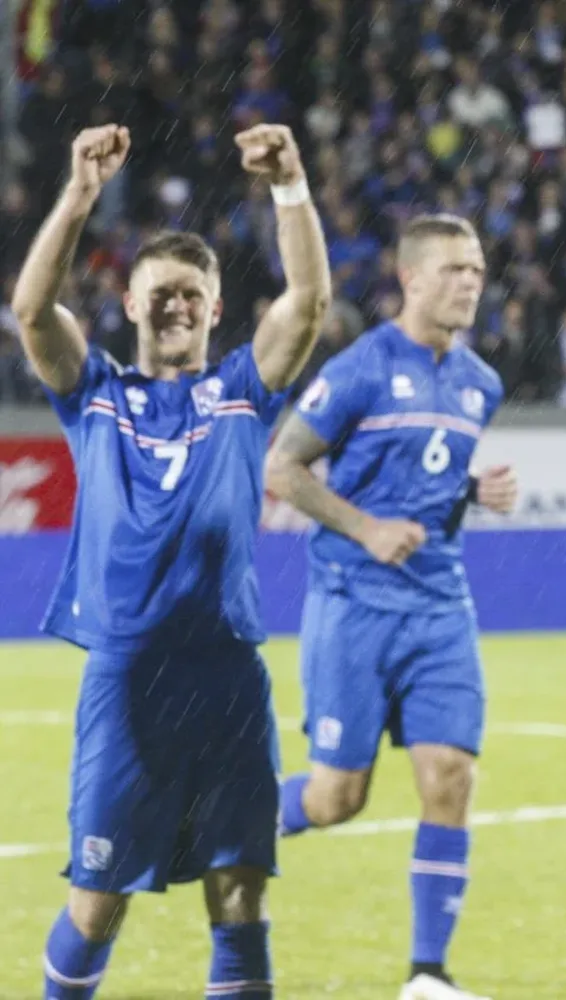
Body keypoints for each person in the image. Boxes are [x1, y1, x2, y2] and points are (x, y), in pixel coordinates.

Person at [11, 122, 330, 999]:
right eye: (159, 293)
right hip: (128, 680)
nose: (175, 306)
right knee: (96, 900)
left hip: (227, 676)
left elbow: (307, 302)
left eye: (191, 293)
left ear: (216, 309)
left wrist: (290, 185)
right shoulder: (95, 395)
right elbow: (32, 311)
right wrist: (79, 194)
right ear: (128, 302)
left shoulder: (240, 392)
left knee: (240, 893)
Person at [264, 214, 516, 1000]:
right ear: (410, 278)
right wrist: (365, 528)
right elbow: (282, 468)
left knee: (451, 775)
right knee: (337, 798)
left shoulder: (480, 382)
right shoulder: (362, 368)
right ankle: (230, 820)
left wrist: (472, 491)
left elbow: (428, 478)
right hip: (355, 604)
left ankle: (426, 975)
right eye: (453, 269)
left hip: (440, 606)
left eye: (476, 270)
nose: (469, 282)